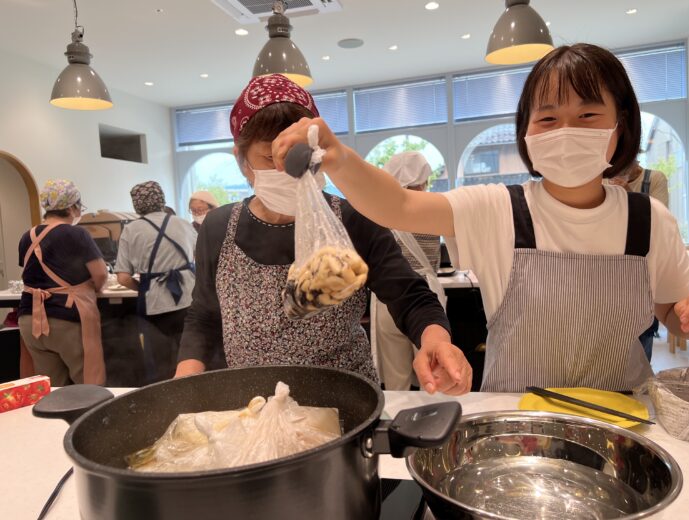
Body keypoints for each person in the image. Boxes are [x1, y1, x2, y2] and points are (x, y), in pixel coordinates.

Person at [272, 44, 689, 393]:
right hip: (516, 420)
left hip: (621, 420)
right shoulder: (500, 208)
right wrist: (339, 157)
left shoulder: (650, 220)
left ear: (619, 126)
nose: (566, 131)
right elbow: (400, 207)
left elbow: (673, 314)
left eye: (587, 114)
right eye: (548, 118)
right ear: (525, 130)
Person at [175, 74, 471, 396]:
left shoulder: (353, 218)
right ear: (241, 160)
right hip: (254, 404)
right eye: (269, 158)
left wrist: (436, 341)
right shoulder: (218, 228)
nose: (287, 170)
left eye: (296, 156)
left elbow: (410, 296)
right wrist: (186, 381)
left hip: (345, 399)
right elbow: (203, 314)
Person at [17, 179, 107, 386]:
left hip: (30, 319)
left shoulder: (27, 236)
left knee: (51, 386)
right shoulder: (77, 234)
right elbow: (100, 274)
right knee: (85, 385)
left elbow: (32, 273)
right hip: (67, 318)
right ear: (72, 206)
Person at [371, 151, 445, 390]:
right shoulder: (433, 208)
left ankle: (396, 424)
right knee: (434, 374)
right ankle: (434, 422)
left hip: (388, 299)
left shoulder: (379, 212)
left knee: (396, 379)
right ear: (422, 180)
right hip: (426, 298)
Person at [115, 181, 197, 383]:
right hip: (188, 299)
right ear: (162, 200)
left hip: (153, 306)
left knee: (159, 362)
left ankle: (164, 401)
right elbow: (201, 259)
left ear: (137, 205)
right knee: (190, 354)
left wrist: (144, 287)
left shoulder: (131, 230)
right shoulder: (183, 223)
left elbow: (123, 277)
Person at [610, 160, 671, 361]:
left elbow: (660, 224)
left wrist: (630, 195)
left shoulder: (653, 179)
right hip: (610, 270)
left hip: (642, 271)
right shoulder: (604, 180)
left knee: (641, 337)